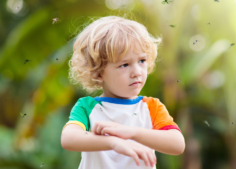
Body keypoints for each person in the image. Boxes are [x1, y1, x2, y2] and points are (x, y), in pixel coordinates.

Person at [61, 16, 185, 169]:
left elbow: (177, 144)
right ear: (98, 73)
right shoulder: (87, 107)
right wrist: (113, 142)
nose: (137, 72)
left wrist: (130, 132)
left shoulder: (151, 107)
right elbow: (69, 138)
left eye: (142, 61)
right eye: (124, 64)